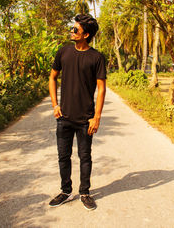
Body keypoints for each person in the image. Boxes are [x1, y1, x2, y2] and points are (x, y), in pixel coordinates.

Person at [48, 14, 106, 211]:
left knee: (85, 156)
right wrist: (55, 104)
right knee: (63, 156)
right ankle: (65, 191)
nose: (71, 32)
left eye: (75, 30)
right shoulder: (63, 52)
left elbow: (101, 88)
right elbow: (52, 77)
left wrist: (96, 117)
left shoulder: (97, 57)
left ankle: (85, 192)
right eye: (72, 28)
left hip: (85, 120)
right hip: (63, 118)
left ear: (86, 34)